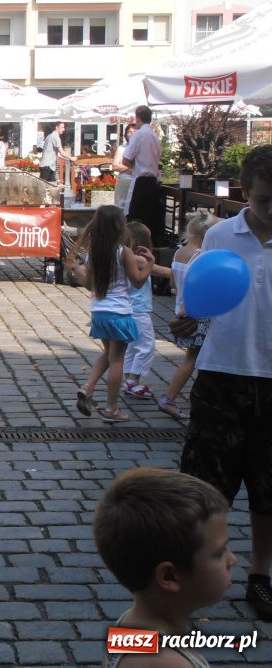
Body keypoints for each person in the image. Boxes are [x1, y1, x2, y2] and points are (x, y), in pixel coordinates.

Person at [176, 145, 272, 620]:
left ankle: (261, 574)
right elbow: (202, 302)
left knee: (267, 489)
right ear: (246, 193)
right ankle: (200, 572)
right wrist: (189, 321)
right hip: (220, 373)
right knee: (205, 483)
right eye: (263, 199)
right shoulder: (219, 236)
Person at [94, 468, 235, 668]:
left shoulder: (133, 622)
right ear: (169, 576)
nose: (232, 559)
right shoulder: (165, 662)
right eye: (220, 552)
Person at [67, 205, 154, 423]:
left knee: (107, 354)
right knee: (117, 360)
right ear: (119, 227)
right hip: (120, 314)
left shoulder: (93, 253)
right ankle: (112, 409)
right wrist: (150, 264)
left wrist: (75, 268)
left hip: (99, 313)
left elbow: (88, 284)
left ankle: (87, 387)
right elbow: (137, 281)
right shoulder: (123, 252)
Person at [157, 209, 220, 421]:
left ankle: (204, 397)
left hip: (181, 308)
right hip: (195, 312)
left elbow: (174, 283)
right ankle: (169, 398)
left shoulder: (178, 253)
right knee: (193, 359)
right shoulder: (200, 256)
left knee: (197, 357)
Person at [122, 222, 171, 400]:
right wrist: (181, 272)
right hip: (139, 311)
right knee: (146, 346)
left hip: (127, 309)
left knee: (131, 347)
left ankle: (128, 380)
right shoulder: (141, 260)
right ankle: (134, 380)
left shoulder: (124, 258)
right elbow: (162, 272)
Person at [123, 106, 164, 243]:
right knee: (149, 221)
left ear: (137, 118)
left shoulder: (139, 135)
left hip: (141, 181)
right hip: (153, 182)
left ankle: (134, 247)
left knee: (135, 221)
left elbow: (126, 159)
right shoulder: (155, 137)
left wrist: (134, 167)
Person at [112, 124, 137, 213]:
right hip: (124, 181)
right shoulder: (122, 148)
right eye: (129, 132)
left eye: (134, 132)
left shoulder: (140, 148)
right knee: (120, 207)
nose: (131, 134)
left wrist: (123, 166)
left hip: (136, 182)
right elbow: (114, 166)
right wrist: (131, 168)